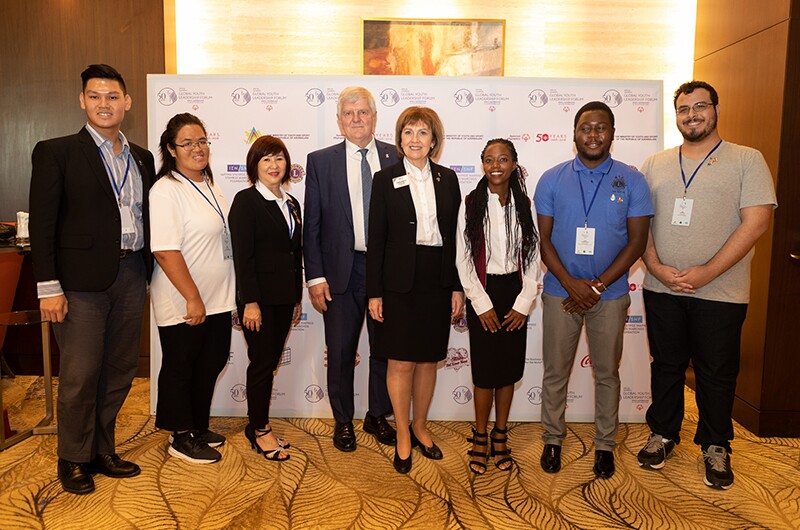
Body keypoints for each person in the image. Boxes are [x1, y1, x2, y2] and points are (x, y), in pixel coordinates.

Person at [637, 81, 776, 490]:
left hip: (721, 292)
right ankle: (662, 433)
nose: (692, 115)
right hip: (662, 287)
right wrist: (656, 266)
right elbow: (638, 224)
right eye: (683, 109)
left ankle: (715, 445)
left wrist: (706, 271)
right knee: (665, 367)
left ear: (716, 109)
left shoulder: (747, 160)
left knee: (716, 372)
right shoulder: (655, 162)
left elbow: (757, 222)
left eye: (700, 107)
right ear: (675, 115)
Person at [29, 64, 155, 495]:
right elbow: (43, 227)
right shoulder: (56, 151)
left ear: (127, 102)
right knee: (81, 374)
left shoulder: (142, 157)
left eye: (113, 96)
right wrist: (48, 286)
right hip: (79, 283)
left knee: (119, 371)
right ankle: (73, 458)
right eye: (96, 96)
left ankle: (103, 448)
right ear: (83, 101)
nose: (105, 103)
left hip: (132, 272)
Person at [533, 101, 653, 479]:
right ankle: (553, 438)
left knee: (607, 374)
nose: (593, 135)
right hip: (560, 293)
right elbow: (544, 240)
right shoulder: (551, 178)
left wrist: (598, 286)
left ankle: (604, 445)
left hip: (611, 295)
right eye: (586, 127)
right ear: (574, 134)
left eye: (601, 128)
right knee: (555, 372)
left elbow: (637, 243)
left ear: (613, 134)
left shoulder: (632, 180)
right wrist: (571, 283)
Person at [367, 106, 464, 474]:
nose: (415, 139)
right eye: (408, 132)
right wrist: (374, 292)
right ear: (399, 138)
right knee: (400, 360)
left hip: (436, 278)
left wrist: (457, 287)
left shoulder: (448, 179)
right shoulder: (384, 178)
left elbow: (456, 239)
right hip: (398, 283)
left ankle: (421, 426)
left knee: (428, 359)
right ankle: (403, 433)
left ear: (434, 140)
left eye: (423, 132)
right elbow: (377, 239)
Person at [303, 86, 398, 452]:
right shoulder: (320, 161)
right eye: (349, 113)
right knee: (340, 351)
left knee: (384, 351)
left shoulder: (396, 156)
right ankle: (343, 421)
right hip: (340, 274)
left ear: (375, 118)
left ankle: (377, 416)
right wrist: (315, 276)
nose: (356, 119)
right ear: (339, 121)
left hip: (386, 274)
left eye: (363, 112)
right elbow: (312, 224)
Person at [149, 113, 235, 465]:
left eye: (202, 141)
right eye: (187, 143)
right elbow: (166, 250)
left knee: (210, 363)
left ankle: (198, 426)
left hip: (216, 299)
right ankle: (179, 434)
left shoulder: (208, 184)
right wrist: (192, 296)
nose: (197, 148)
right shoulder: (166, 190)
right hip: (184, 301)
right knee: (181, 366)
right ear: (171, 149)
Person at [455, 138, 540, 475]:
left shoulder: (525, 203)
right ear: (482, 164)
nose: (496, 165)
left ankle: (500, 435)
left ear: (514, 163)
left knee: (508, 370)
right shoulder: (471, 202)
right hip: (484, 290)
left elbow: (533, 255)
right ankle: (479, 435)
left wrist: (524, 302)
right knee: (485, 371)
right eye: (489, 159)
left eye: (503, 159)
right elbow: (463, 257)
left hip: (514, 292)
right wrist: (479, 302)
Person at [229, 135, 302, 462]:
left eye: (279, 158)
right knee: (261, 365)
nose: (274, 166)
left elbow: (294, 253)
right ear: (254, 166)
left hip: (285, 299)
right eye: (266, 159)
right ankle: (259, 429)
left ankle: (256, 423)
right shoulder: (246, 201)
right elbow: (243, 258)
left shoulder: (292, 203)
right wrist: (250, 302)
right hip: (258, 302)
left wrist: (297, 297)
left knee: (269, 363)